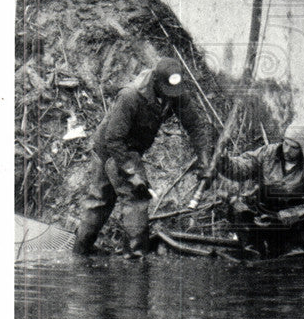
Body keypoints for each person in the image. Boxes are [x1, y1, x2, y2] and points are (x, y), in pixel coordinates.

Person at [73, 57, 209, 258]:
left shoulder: (175, 92)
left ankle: (82, 252)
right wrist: (132, 175)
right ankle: (134, 259)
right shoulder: (131, 96)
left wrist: (205, 160)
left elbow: (196, 126)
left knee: (101, 200)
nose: (171, 96)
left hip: (129, 147)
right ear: (155, 81)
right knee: (132, 198)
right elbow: (113, 139)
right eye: (166, 91)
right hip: (113, 148)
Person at [217, 122, 304, 257]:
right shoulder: (267, 154)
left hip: (290, 221)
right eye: (285, 144)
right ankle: (253, 251)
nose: (287, 150)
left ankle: (288, 255)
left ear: (303, 149)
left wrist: (281, 217)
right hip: (264, 214)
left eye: (294, 147)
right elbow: (241, 168)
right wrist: (223, 160)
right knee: (239, 207)